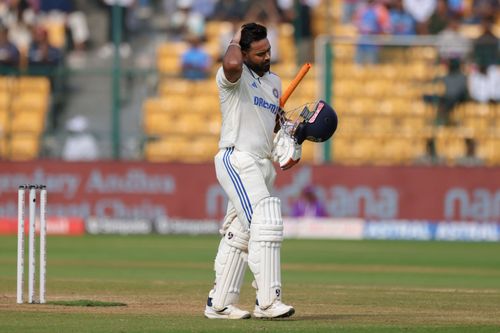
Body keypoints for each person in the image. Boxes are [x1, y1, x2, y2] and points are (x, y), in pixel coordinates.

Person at [204, 22, 298, 320]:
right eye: (259, 53)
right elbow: (231, 62)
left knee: (242, 232)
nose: (267, 56)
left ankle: (219, 304)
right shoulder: (232, 75)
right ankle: (268, 301)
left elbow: (271, 124)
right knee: (265, 221)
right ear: (244, 53)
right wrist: (234, 39)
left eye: (268, 50)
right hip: (237, 157)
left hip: (262, 162)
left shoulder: (275, 83)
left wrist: (292, 134)